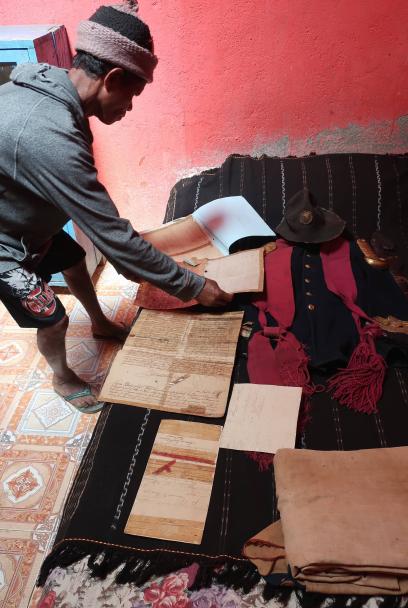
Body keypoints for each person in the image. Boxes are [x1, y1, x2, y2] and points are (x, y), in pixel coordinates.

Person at [0, 1, 232, 414]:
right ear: (113, 78)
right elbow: (115, 239)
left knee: (73, 259)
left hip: (25, 217)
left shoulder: (55, 86)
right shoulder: (49, 136)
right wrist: (194, 286)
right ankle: (62, 376)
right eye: (133, 94)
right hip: (6, 244)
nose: (130, 108)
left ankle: (100, 322)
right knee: (52, 318)